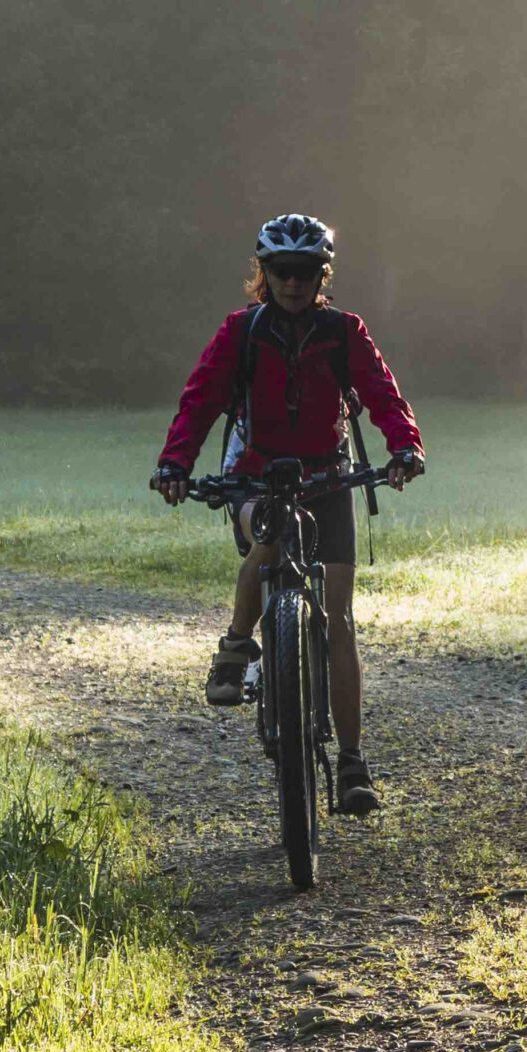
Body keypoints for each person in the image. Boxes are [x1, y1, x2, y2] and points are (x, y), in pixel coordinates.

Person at [152, 212, 424, 816]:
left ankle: (353, 764)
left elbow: (382, 392)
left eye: (306, 272)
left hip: (328, 477)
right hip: (255, 476)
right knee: (271, 535)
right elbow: (200, 400)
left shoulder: (343, 331)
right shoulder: (241, 332)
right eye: (282, 272)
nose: (294, 283)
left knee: (340, 621)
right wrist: (176, 462)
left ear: (323, 274)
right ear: (264, 273)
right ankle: (236, 645)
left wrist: (405, 446)